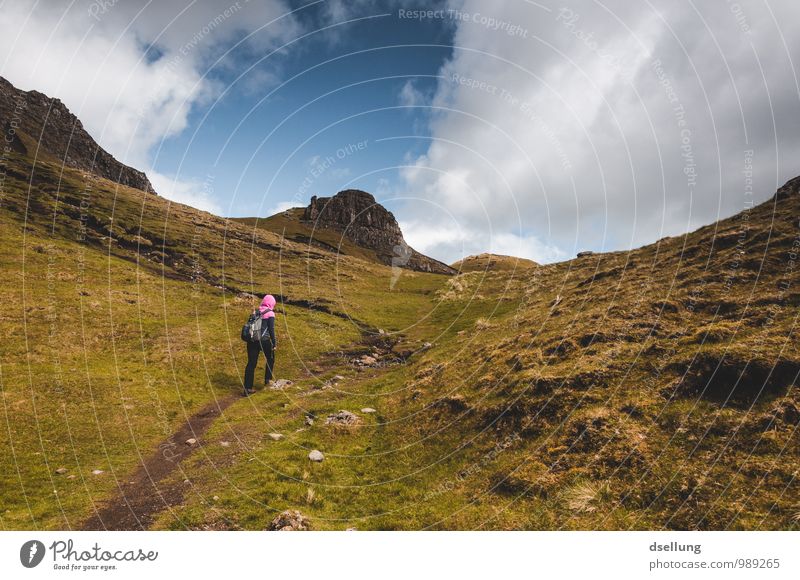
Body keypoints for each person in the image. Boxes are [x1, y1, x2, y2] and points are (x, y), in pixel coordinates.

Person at [243, 294, 277, 395]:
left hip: (252, 340)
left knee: (251, 363)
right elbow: (271, 329)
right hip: (264, 341)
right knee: (270, 358)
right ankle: (267, 380)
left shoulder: (255, 312)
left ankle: (247, 388)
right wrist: (274, 343)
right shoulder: (270, 313)